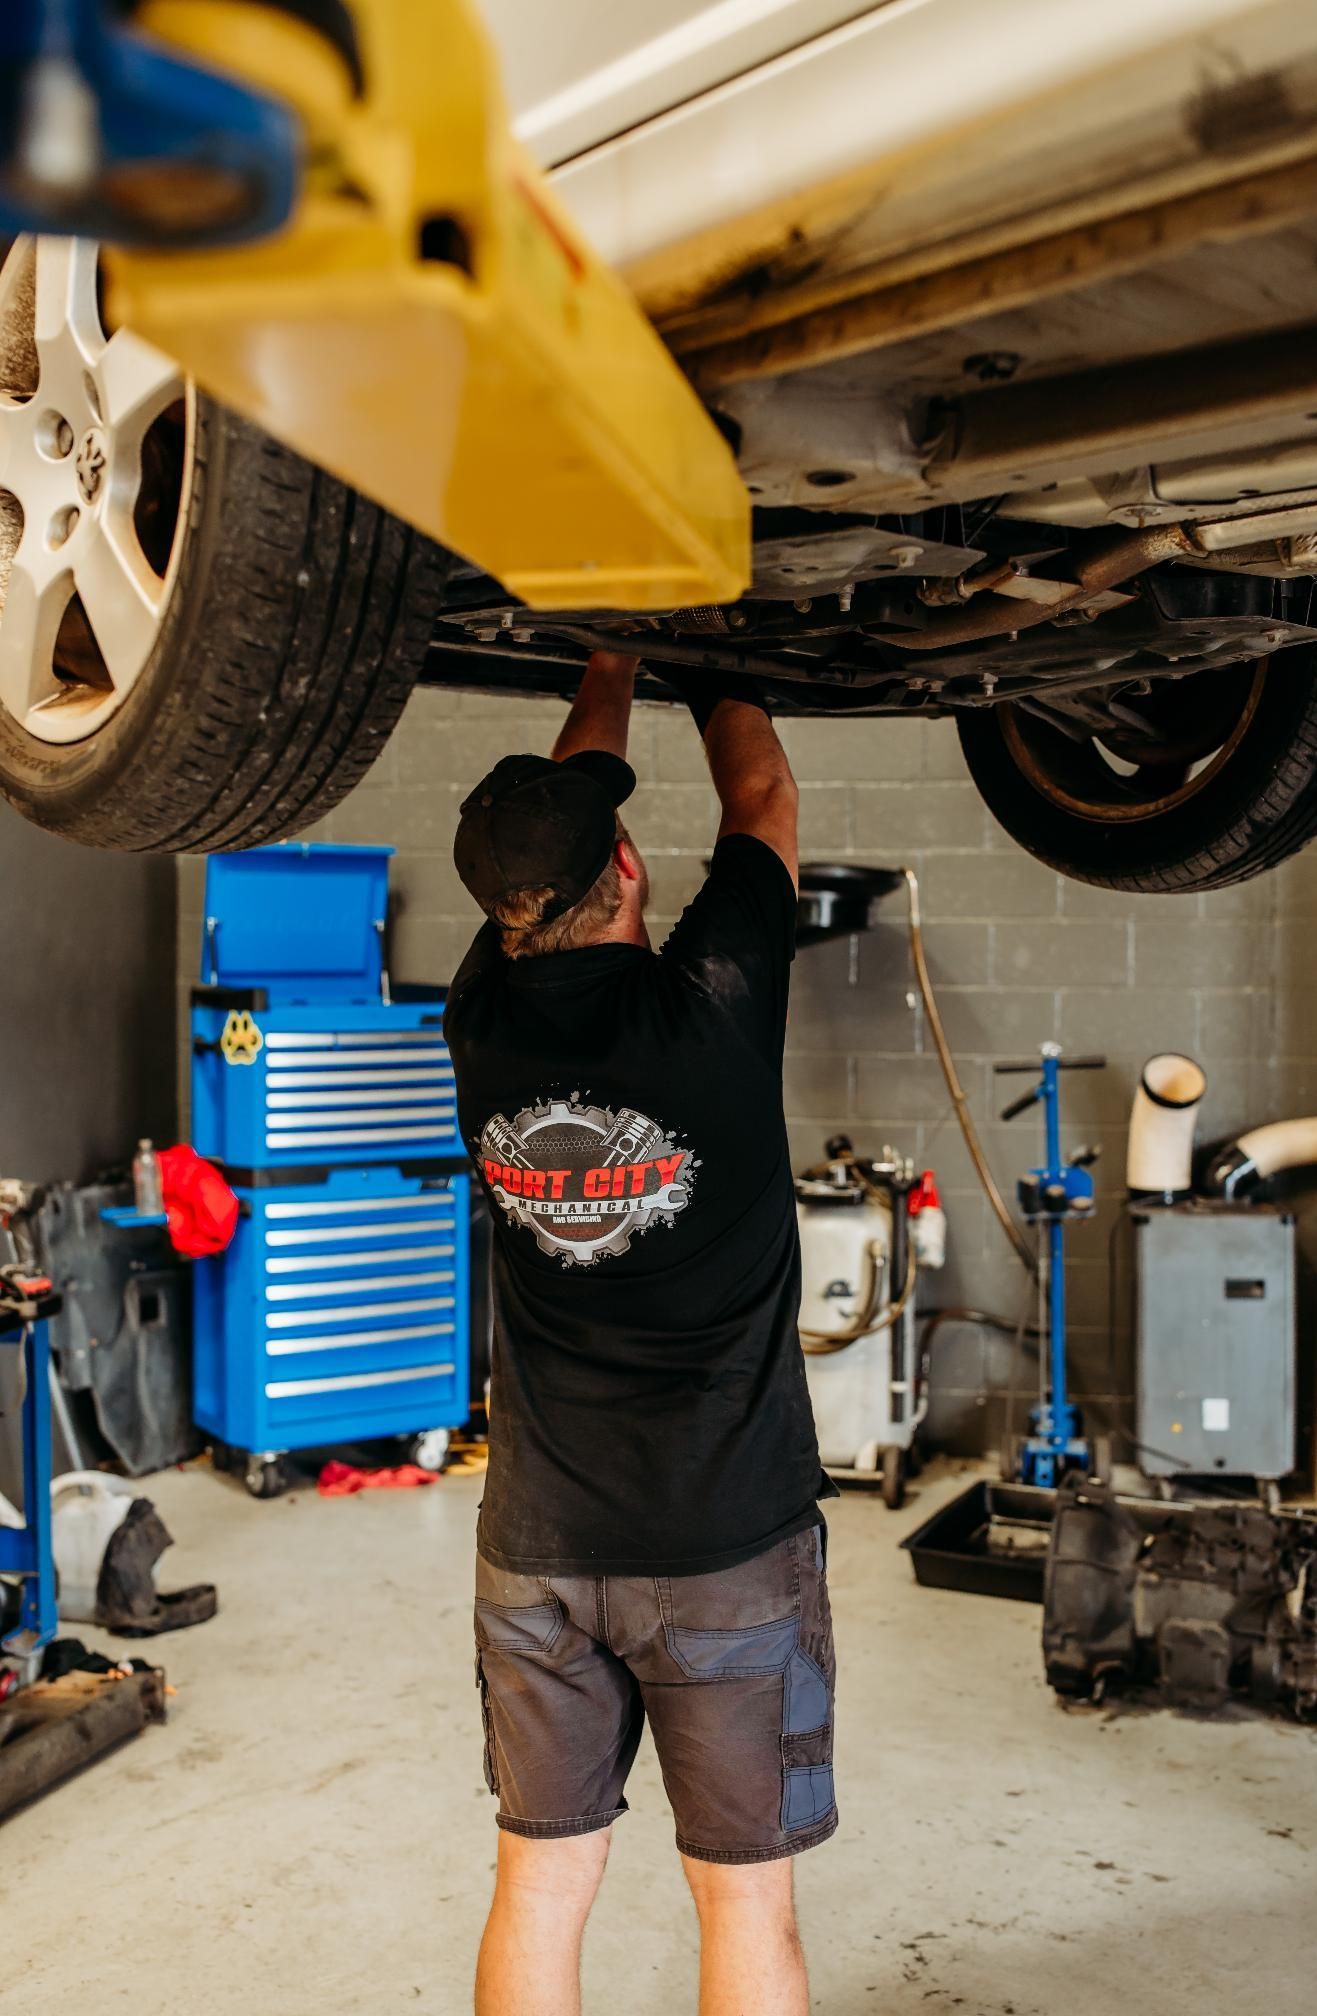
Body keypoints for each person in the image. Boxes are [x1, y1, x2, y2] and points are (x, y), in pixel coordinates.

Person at [444, 650, 836, 2016]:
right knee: (742, 1902)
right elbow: (764, 791)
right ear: (630, 865)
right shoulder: (709, 1009)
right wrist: (688, 656)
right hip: (725, 1550)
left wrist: (612, 663)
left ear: (502, 914)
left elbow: (755, 799)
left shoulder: (477, 1018)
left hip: (540, 1554)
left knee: (541, 1887)